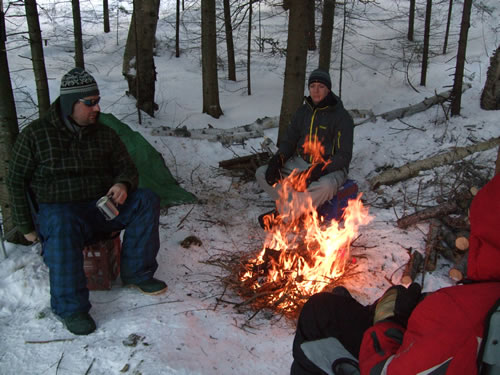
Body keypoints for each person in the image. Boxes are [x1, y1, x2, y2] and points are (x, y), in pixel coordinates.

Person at [7, 67, 167, 336]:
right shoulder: (36, 135)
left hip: (100, 208)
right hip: (60, 212)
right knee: (61, 222)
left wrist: (122, 184)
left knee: (145, 199)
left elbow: (127, 167)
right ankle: (71, 307)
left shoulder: (104, 133)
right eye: (89, 103)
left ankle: (138, 273)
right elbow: (16, 180)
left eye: (97, 101)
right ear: (71, 103)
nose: (96, 108)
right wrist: (25, 225)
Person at [290, 173, 500, 375]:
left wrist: (389, 323)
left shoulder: (466, 315)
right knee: (326, 307)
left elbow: (387, 370)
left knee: (318, 314)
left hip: (387, 351)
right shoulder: (477, 303)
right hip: (425, 342)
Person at [256, 69, 354, 228]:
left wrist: (318, 170)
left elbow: (344, 155)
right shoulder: (302, 112)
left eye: (320, 86)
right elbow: (289, 141)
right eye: (312, 86)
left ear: (328, 89)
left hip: (328, 168)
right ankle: (300, 208)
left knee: (326, 187)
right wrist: (278, 159)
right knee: (262, 173)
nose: (316, 90)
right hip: (300, 163)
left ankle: (283, 216)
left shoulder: (342, 117)